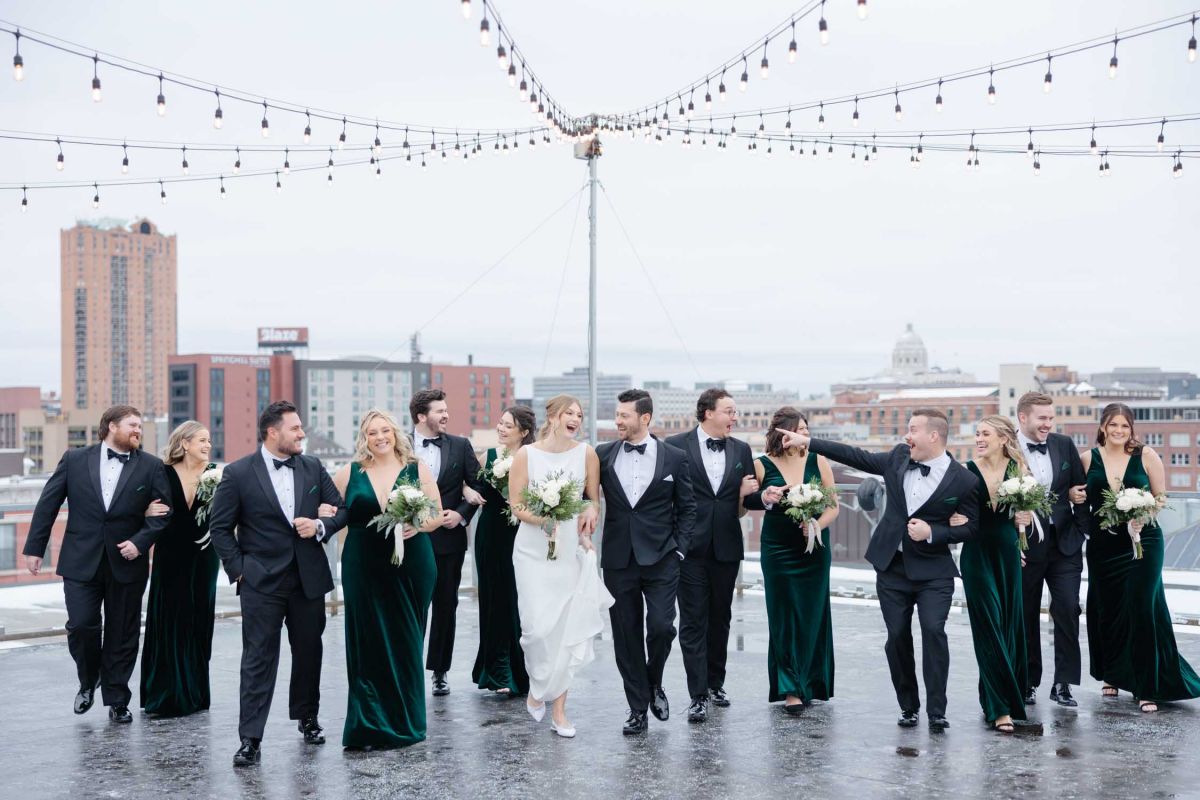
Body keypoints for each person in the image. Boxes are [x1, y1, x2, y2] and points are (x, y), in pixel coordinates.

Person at [773, 409, 978, 731]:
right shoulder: (898, 458)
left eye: (913, 430)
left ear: (934, 436)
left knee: (933, 631)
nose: (906, 436)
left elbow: (971, 528)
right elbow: (855, 455)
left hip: (933, 573)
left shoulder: (964, 480)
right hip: (891, 568)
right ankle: (908, 707)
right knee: (896, 637)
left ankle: (937, 710)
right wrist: (807, 441)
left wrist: (935, 533)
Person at [207, 400, 347, 766]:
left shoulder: (313, 466)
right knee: (257, 659)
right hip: (259, 582)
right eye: (296, 428)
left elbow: (342, 509)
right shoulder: (237, 473)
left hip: (308, 578)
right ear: (273, 432)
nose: (302, 433)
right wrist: (238, 570)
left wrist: (320, 526)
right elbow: (220, 528)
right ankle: (250, 739)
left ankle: (308, 718)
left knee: (308, 652)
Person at [23, 405, 172, 724]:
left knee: (123, 632)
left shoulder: (151, 466)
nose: (138, 431)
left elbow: (164, 513)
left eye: (141, 426)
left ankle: (117, 698)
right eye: (132, 425)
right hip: (80, 559)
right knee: (81, 625)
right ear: (110, 426)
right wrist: (35, 548)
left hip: (127, 561)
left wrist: (141, 541)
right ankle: (88, 681)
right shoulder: (75, 460)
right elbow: (48, 503)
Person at [323, 409, 441, 749]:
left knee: (406, 642)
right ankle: (368, 724)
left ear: (395, 433)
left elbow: (436, 513)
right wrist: (320, 515)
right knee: (368, 643)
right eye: (373, 432)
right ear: (365, 438)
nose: (380, 437)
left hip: (412, 565)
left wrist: (416, 524)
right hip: (363, 566)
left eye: (385, 430)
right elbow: (328, 507)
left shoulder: (416, 468)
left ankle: (406, 721)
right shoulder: (350, 472)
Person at [1082, 403, 1200, 712]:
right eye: (1113, 425)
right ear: (1103, 427)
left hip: (1143, 542)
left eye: (1125, 426)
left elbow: (1161, 497)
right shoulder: (1087, 459)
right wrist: (1071, 496)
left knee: (1142, 608)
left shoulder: (1146, 456)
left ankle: (1148, 685)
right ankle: (1112, 673)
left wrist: (1143, 514)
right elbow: (1077, 496)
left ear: (1131, 429)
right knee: (1108, 609)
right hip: (1104, 546)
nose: (1119, 431)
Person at [508, 395, 610, 737]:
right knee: (536, 629)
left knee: (564, 629)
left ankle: (560, 711)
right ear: (552, 417)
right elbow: (517, 506)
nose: (576, 419)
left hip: (568, 548)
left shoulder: (587, 454)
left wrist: (591, 511)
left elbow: (591, 498)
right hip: (532, 549)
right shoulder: (526, 455)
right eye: (570, 413)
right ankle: (538, 687)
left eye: (580, 415)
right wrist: (544, 519)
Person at [598, 389, 697, 735]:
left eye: (624, 415)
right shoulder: (603, 454)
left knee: (660, 627)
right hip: (618, 559)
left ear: (645, 418)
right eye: (617, 414)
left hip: (662, 558)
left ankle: (654, 681)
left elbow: (688, 508)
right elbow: (586, 499)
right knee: (625, 636)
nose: (617, 421)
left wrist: (680, 549)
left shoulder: (674, 457)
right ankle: (637, 708)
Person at [665, 388, 760, 722]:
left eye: (735, 412)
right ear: (707, 412)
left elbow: (744, 507)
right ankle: (698, 694)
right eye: (729, 411)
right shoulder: (675, 446)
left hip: (727, 547)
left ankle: (716, 683)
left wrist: (752, 494)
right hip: (688, 549)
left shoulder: (742, 450)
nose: (735, 417)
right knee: (693, 621)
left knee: (720, 618)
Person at [754, 408, 838, 715]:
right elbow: (745, 502)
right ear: (782, 432)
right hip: (778, 549)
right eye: (797, 430)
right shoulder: (761, 465)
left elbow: (833, 507)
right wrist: (768, 496)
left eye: (806, 430)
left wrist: (816, 525)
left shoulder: (819, 461)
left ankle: (813, 683)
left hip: (814, 548)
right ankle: (790, 687)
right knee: (783, 615)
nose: (803, 435)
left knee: (813, 614)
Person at [952, 416, 1030, 732]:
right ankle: (1000, 709)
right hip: (976, 555)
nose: (979, 439)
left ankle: (1001, 698)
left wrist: (1025, 519)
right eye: (977, 433)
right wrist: (952, 521)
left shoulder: (1019, 471)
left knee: (1009, 624)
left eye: (985, 434)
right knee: (988, 628)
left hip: (1009, 554)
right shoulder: (966, 471)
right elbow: (947, 505)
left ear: (1003, 438)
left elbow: (1024, 514)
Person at [140, 421, 221, 717]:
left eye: (209, 440)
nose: (207, 445)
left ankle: (196, 693)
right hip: (170, 556)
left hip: (205, 557)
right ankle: (167, 695)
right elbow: (137, 501)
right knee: (171, 620)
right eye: (202, 439)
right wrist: (144, 510)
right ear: (184, 443)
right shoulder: (161, 473)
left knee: (199, 619)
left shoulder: (215, 474)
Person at [1014, 392, 1089, 708]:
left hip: (1065, 545)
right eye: (1042, 418)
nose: (1048, 424)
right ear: (1023, 418)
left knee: (1068, 609)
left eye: (1051, 418)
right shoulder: (1007, 448)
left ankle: (1064, 683)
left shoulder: (1063, 444)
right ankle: (1028, 682)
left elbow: (1080, 487)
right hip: (1026, 545)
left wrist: (1082, 530)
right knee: (1026, 613)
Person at [409, 389, 484, 697]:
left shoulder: (460, 445)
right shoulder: (398, 445)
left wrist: (462, 514)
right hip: (409, 539)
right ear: (420, 416)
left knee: (445, 606)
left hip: (448, 540)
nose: (446, 415)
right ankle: (408, 667)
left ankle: (440, 671)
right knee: (411, 607)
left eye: (446, 409)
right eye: (439, 411)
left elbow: (478, 484)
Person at [470, 406, 535, 697]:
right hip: (491, 534)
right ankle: (496, 672)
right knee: (494, 599)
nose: (501, 428)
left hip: (521, 534)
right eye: (500, 423)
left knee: (519, 600)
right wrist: (465, 491)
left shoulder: (533, 458)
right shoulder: (488, 457)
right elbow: (471, 485)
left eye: (508, 425)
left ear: (523, 431)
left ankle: (523, 672)